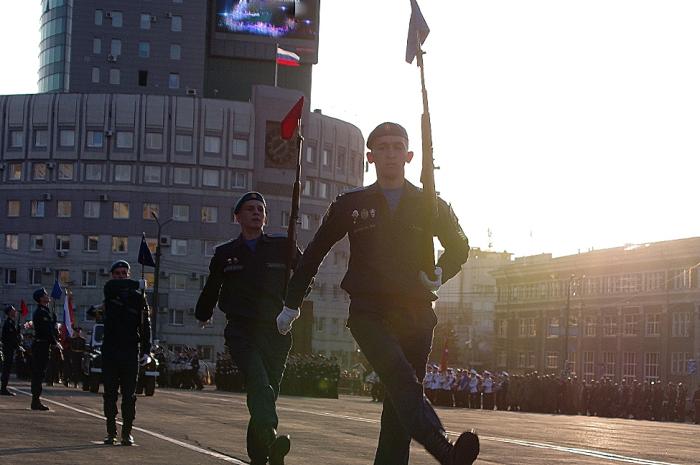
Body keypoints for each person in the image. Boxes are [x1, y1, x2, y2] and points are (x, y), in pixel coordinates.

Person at [277, 122, 478, 465]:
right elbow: (316, 250)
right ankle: (442, 448)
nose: (390, 154)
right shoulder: (351, 204)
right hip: (369, 312)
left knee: (399, 407)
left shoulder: (430, 204)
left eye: (397, 147)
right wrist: (292, 302)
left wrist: (441, 272)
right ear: (370, 157)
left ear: (409, 155)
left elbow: (460, 246)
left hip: (416, 313)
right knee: (402, 380)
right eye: (382, 148)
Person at [196, 191, 300, 465]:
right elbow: (212, 288)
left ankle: (259, 456)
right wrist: (202, 313)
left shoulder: (282, 245)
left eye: (261, 209)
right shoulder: (225, 254)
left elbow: (305, 274)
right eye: (250, 208)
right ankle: (272, 440)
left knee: (265, 394)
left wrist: (293, 305)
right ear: (237, 216)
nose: (256, 212)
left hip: (277, 331)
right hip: (242, 330)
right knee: (259, 383)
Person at [101, 260, 152, 445]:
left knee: (129, 396)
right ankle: (111, 432)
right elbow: (113, 285)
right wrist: (136, 283)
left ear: (128, 274)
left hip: (130, 351)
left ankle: (127, 432)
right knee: (110, 394)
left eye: (124, 273)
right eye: (118, 273)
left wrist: (147, 350)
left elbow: (145, 325)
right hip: (111, 350)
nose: (121, 276)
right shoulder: (110, 291)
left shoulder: (139, 298)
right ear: (113, 275)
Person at [31, 288, 60, 410]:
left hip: (44, 345)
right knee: (38, 374)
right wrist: (55, 342)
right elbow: (46, 330)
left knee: (40, 373)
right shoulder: (41, 312)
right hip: (41, 345)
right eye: (45, 295)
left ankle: (36, 400)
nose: (48, 296)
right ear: (41, 298)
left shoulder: (46, 311)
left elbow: (52, 328)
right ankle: (35, 401)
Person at [1, 305, 22, 395]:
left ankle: (4, 387)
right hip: (8, 348)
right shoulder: (8, 323)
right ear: (9, 312)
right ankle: (3, 388)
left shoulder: (11, 323)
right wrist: (17, 345)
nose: (15, 312)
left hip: (10, 348)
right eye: (13, 310)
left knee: (7, 369)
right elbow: (10, 337)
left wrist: (18, 330)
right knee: (6, 369)